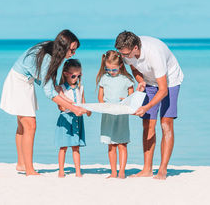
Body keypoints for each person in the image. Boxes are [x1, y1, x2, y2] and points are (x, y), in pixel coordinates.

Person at [0, 29, 88, 176]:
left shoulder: (51, 49)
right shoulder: (48, 58)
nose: (73, 54)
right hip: (19, 82)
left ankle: (22, 164)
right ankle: (29, 170)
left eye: (75, 50)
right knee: (29, 125)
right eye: (72, 50)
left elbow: (52, 86)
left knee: (23, 124)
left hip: (24, 81)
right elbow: (49, 93)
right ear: (63, 47)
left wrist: (72, 104)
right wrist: (73, 109)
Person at [115, 31, 184, 180]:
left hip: (170, 81)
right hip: (149, 80)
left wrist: (146, 107)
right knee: (147, 124)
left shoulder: (154, 54)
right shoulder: (125, 54)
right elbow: (134, 69)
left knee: (166, 123)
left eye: (126, 54)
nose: (124, 57)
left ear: (135, 48)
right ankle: (147, 169)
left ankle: (163, 169)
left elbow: (163, 90)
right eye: (121, 53)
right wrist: (140, 81)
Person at [96, 50, 134, 179]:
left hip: (121, 115)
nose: (111, 72)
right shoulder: (104, 78)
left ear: (121, 66)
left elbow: (132, 95)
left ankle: (122, 172)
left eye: (114, 70)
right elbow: (100, 96)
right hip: (108, 114)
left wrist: (127, 101)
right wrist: (103, 105)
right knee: (111, 144)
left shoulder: (126, 79)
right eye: (108, 69)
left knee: (122, 143)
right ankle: (113, 172)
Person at [55, 59, 91, 178]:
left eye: (79, 75)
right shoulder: (60, 89)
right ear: (66, 74)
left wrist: (88, 110)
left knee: (76, 147)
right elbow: (60, 107)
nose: (76, 78)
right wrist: (70, 105)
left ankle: (78, 171)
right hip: (66, 119)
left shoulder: (81, 88)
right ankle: (61, 171)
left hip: (78, 119)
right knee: (63, 146)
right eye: (74, 75)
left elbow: (84, 104)